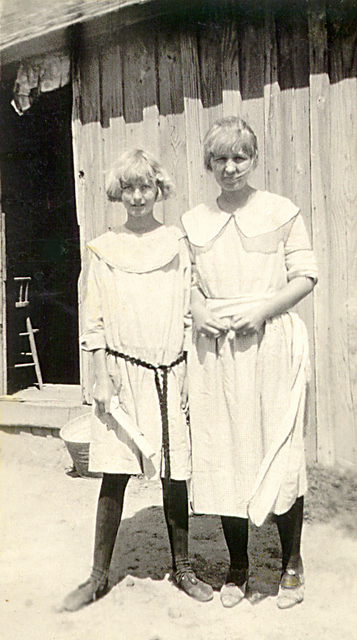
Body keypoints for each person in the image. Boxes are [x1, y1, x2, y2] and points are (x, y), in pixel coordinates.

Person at [62, 148, 213, 611]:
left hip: (170, 371)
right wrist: (100, 377)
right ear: (118, 193)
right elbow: (94, 324)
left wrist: (189, 368)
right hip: (122, 376)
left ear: (158, 189)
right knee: (114, 472)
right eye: (128, 188)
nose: (137, 196)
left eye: (145, 186)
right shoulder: (103, 249)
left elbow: (190, 313)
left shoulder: (177, 243)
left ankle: (183, 567)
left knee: (174, 471)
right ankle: (97, 575)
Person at [181, 117, 318, 610]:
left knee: (276, 449)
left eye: (239, 157)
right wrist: (197, 310)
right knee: (225, 452)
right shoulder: (194, 221)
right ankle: (239, 565)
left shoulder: (281, 211)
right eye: (220, 158)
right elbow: (187, 281)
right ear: (209, 163)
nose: (230, 167)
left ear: (253, 159)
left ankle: (290, 564)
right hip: (215, 352)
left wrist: (262, 310)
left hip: (269, 345)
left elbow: (305, 275)